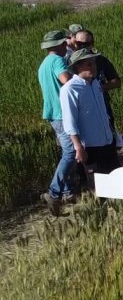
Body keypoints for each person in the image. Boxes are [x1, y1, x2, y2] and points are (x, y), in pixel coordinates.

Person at [60, 48, 119, 181]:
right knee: (97, 188)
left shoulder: (96, 84)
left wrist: (114, 135)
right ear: (78, 66)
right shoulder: (69, 89)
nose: (94, 67)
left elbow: (103, 113)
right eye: (89, 64)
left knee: (115, 183)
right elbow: (69, 122)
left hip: (107, 142)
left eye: (94, 63)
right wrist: (78, 147)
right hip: (90, 147)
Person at [37, 29, 75, 214]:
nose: (66, 45)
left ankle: (67, 191)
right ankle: (53, 192)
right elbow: (65, 80)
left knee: (64, 151)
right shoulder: (58, 61)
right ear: (59, 45)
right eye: (64, 43)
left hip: (52, 113)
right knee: (71, 151)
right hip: (62, 113)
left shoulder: (44, 64)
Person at [73, 28, 121, 139]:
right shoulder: (70, 62)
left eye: (86, 44)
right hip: (82, 110)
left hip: (103, 105)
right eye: (79, 44)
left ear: (92, 44)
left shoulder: (101, 61)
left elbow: (116, 81)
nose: (82, 47)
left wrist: (99, 88)